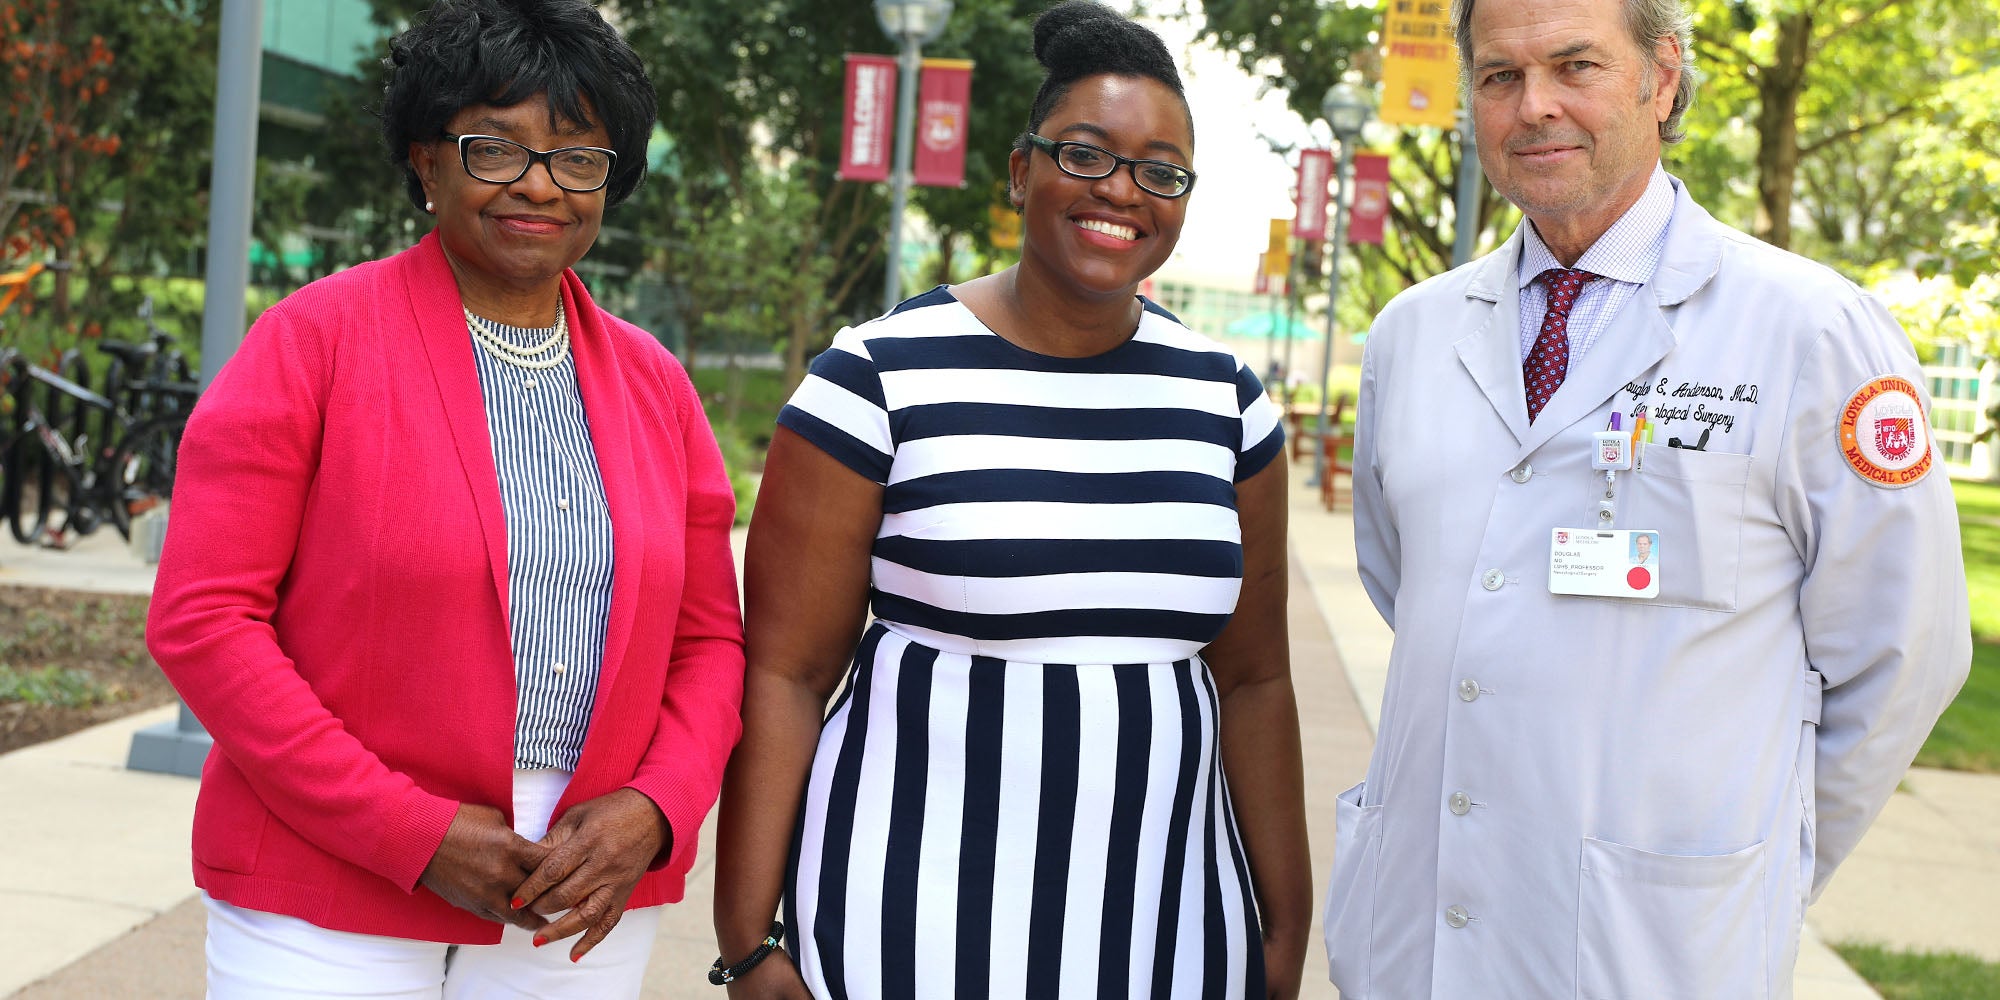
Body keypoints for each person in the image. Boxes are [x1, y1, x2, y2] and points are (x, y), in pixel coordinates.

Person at [1326, 0, 1972, 994]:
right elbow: (1409, 584)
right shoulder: (1409, 334)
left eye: (1574, 65)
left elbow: (1902, 651)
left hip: (1657, 949)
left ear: (1661, 76)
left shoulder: (1808, 331)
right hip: (1416, 930)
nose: (1533, 105)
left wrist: (1763, 856)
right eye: (1499, 76)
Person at [710, 3, 1313, 998]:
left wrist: (1282, 926)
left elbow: (1254, 679)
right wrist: (748, 938)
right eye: (1086, 155)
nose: (1121, 190)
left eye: (1159, 170)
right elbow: (782, 671)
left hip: (1160, 920)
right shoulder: (876, 379)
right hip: (898, 916)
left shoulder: (1224, 400)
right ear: (1019, 167)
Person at [145, 2, 745, 995]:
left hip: (575, 892)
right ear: (427, 162)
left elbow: (709, 642)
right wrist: (407, 829)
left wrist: (654, 807)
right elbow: (206, 618)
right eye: (494, 149)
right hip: (326, 882)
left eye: (576, 157)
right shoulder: (311, 344)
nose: (538, 186)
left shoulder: (657, 387)